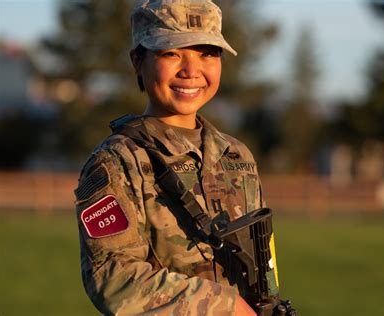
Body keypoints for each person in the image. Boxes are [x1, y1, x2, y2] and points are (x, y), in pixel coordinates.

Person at [74, 0, 272, 314]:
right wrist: (226, 307)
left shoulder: (236, 155)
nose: (191, 70)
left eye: (207, 53)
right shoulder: (117, 162)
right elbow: (111, 277)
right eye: (171, 52)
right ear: (138, 61)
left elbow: (263, 264)